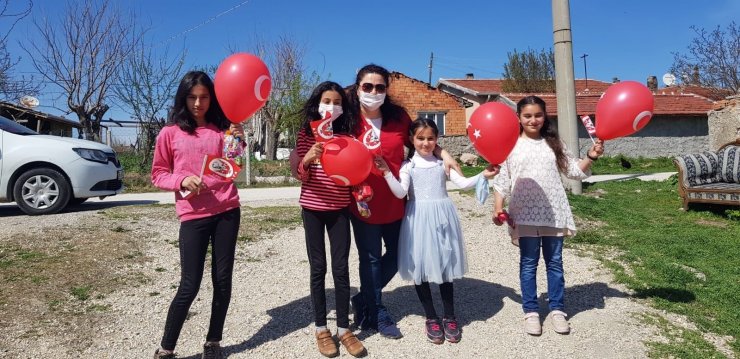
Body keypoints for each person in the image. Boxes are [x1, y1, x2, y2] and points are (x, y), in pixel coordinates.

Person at [346, 64, 460, 339]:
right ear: (358, 87)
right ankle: (376, 311)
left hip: (397, 201)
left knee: (399, 256)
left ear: (386, 90)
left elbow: (422, 137)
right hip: (362, 204)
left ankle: (363, 298)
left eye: (380, 87)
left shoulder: (398, 118)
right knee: (370, 259)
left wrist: (444, 153)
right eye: (368, 86)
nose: (374, 92)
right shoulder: (347, 120)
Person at [376, 118, 498, 344]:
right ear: (411, 140)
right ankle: (431, 316)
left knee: (444, 267)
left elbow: (462, 184)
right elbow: (401, 193)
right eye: (420, 138)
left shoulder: (442, 163)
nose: (426, 143)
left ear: (437, 139)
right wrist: (385, 172)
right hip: (418, 219)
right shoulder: (407, 166)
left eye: (430, 138)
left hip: (442, 217)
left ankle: (449, 316)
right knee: (421, 268)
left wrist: (483, 175)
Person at [491, 95, 604, 336]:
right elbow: (502, 181)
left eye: (538, 115)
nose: (533, 120)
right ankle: (531, 311)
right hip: (524, 213)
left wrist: (591, 156)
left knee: (555, 263)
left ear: (545, 116)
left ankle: (558, 310)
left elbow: (573, 171)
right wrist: (497, 207)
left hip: (553, 212)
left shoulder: (555, 143)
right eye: (527, 116)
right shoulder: (509, 144)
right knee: (529, 264)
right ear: (519, 118)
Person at [151, 71, 244, 359]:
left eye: (204, 97)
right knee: (189, 283)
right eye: (192, 97)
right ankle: (166, 349)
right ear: (183, 98)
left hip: (227, 210)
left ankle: (213, 342)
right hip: (193, 215)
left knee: (223, 279)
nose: (198, 103)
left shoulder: (222, 130)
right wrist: (181, 181)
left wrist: (238, 143)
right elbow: (158, 174)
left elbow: (233, 168)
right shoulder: (170, 133)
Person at [294, 81, 366, 358]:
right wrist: (308, 159)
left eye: (337, 102)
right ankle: (321, 328)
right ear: (317, 102)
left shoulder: (347, 135)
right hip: (312, 209)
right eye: (327, 100)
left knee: (341, 268)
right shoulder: (306, 134)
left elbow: (354, 171)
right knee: (318, 268)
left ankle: (344, 329)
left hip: (339, 209)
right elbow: (301, 176)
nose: (332, 106)